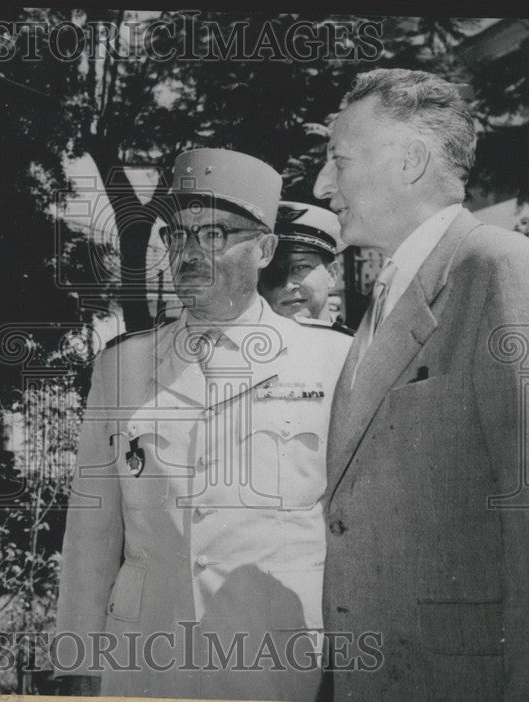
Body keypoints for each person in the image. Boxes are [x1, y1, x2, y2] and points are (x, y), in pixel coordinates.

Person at [312, 68, 529, 700]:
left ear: (411, 161)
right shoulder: (393, 291)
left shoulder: (502, 270)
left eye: (338, 161)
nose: (322, 186)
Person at [54, 148, 351, 701]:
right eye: (177, 235)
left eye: (213, 234)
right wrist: (78, 655)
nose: (188, 253)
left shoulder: (333, 363)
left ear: (264, 249)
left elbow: (352, 529)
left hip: (279, 660)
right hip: (147, 660)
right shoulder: (123, 366)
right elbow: (91, 529)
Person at [259, 201, 350, 331]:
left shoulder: (357, 349)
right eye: (273, 270)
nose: (288, 285)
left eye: (301, 267)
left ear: (332, 274)